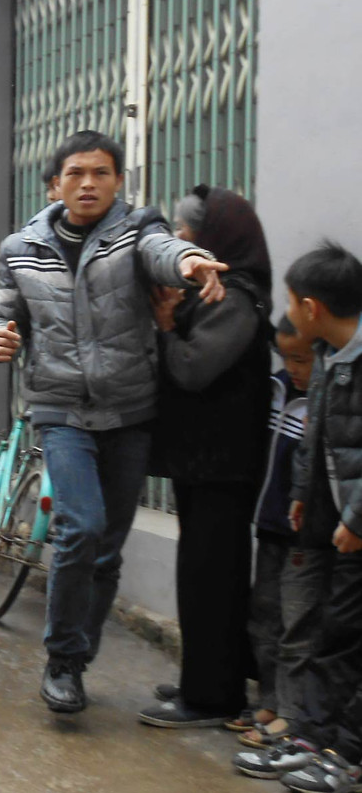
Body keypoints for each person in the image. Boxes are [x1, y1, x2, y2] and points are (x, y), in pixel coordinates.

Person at [0, 129, 227, 715]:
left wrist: (189, 260)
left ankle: (77, 659)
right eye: (75, 173)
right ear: (54, 184)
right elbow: (5, 310)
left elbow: (162, 254)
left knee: (106, 549)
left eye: (100, 172)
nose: (88, 183)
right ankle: (62, 659)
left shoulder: (138, 231)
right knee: (81, 525)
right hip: (60, 406)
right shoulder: (20, 247)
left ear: (118, 181)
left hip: (129, 409)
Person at [138, 186, 273, 727]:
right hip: (207, 461)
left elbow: (194, 368)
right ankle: (204, 679)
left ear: (217, 237)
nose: (180, 240)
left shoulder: (235, 297)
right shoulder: (216, 292)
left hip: (224, 464)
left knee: (212, 577)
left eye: (188, 230)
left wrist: (168, 325)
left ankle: (214, 698)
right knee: (201, 573)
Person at [238, 242, 362, 793]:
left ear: (311, 307)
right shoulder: (334, 356)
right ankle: (315, 740)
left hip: (353, 526)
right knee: (327, 632)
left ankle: (349, 757)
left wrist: (356, 518)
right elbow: (321, 436)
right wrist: (302, 495)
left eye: (291, 301)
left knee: (346, 639)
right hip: (326, 522)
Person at [232, 316, 314, 749]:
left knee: (296, 623)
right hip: (269, 525)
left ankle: (291, 713)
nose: (293, 367)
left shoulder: (322, 402)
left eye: (302, 359)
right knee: (264, 614)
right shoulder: (277, 388)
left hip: (302, 533)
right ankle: (269, 699)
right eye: (287, 358)